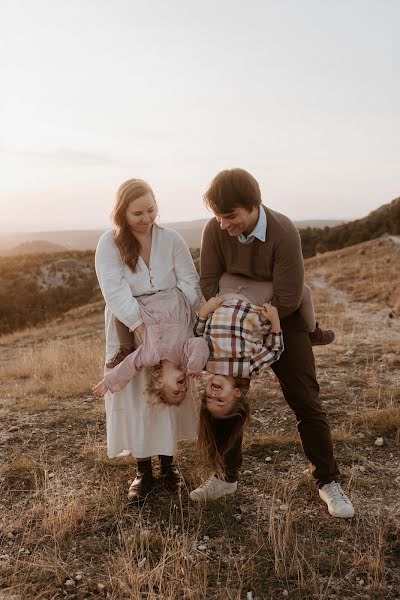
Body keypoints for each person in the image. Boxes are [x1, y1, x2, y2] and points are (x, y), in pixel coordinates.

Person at [190, 168, 354, 518]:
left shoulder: (283, 231)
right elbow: (208, 283)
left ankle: (328, 481)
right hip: (236, 324)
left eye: (230, 216)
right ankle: (225, 476)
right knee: (221, 394)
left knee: (305, 398)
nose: (222, 225)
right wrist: (241, 318)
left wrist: (262, 325)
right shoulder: (214, 230)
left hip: (282, 319)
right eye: (217, 216)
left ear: (253, 206)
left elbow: (290, 295)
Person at [95, 178, 202, 504]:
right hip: (130, 325)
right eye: (138, 212)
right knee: (136, 395)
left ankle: (169, 468)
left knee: (167, 393)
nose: (146, 218)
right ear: (122, 213)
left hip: (172, 324)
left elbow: (190, 282)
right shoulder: (109, 244)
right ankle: (143, 471)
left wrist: (175, 319)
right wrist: (140, 324)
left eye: (151, 210)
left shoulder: (171, 239)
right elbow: (114, 290)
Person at [92, 287, 209, 403]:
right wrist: (195, 365)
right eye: (185, 390)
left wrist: (107, 383)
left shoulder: (150, 356)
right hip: (174, 297)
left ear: (159, 382)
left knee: (120, 314)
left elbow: (129, 365)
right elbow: (200, 344)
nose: (183, 388)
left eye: (176, 392)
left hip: (150, 303)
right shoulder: (185, 357)